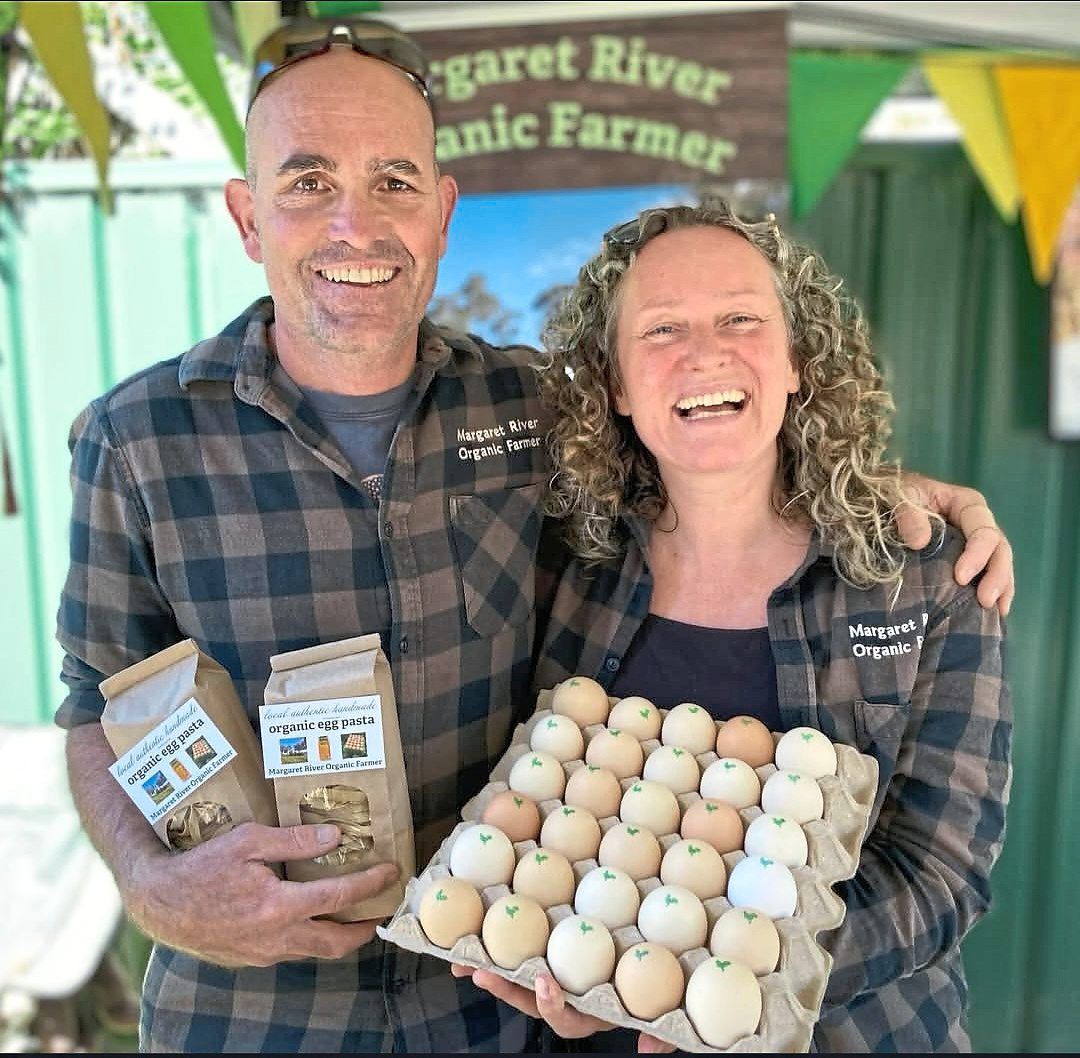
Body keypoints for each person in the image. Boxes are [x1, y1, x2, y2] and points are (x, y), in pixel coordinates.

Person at [55, 22, 1012, 1056]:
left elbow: (708, 427)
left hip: (488, 998)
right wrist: (151, 885)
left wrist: (878, 486)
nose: (354, 224)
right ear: (247, 215)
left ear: (442, 211)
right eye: (306, 182)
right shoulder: (141, 439)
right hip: (253, 1012)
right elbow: (93, 702)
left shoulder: (523, 407)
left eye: (393, 181)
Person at [458, 203, 1012, 1052]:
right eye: (662, 328)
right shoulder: (567, 562)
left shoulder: (923, 575)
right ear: (614, 383)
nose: (704, 352)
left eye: (741, 319)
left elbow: (941, 876)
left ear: (797, 360)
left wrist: (734, 981)